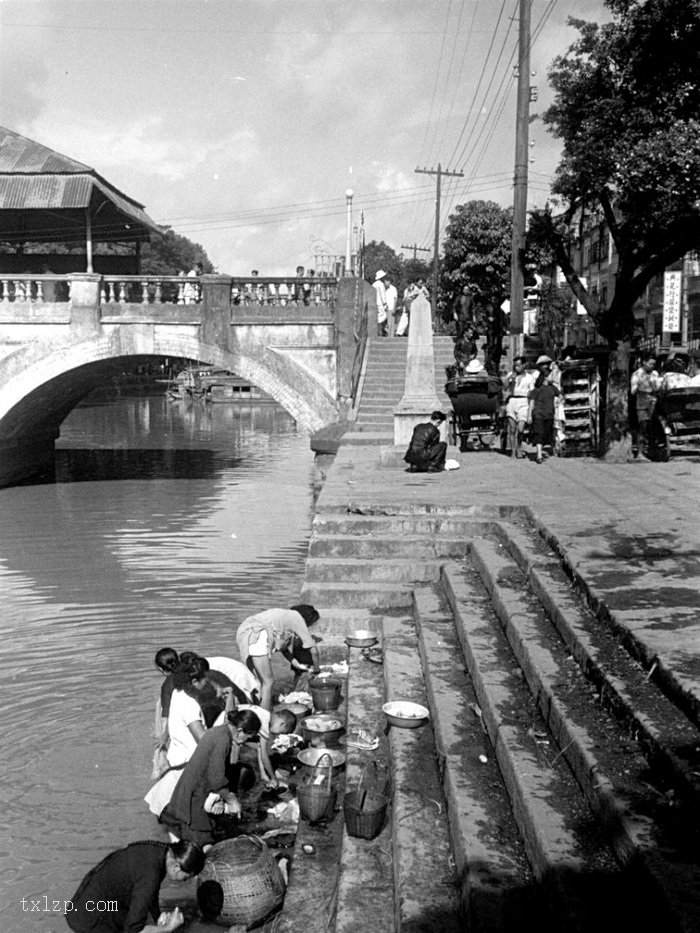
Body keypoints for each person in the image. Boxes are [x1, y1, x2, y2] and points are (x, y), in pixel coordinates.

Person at [159, 709, 261, 847]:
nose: (244, 742)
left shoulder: (219, 731)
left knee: (194, 841)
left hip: (189, 790)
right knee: (201, 845)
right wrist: (232, 800)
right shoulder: (222, 740)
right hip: (193, 797)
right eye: (247, 737)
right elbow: (216, 778)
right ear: (240, 731)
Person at [65, 838, 205, 933]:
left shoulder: (159, 851)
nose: (184, 881)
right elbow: (134, 930)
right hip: (90, 920)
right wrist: (168, 928)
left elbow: (150, 893)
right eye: (186, 877)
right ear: (176, 867)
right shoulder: (150, 875)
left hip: (85, 903)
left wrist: (157, 916)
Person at [235, 605, 321, 710]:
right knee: (268, 682)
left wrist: (296, 664)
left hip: (244, 633)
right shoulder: (296, 617)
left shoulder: (282, 618)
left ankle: (255, 711)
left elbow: (283, 649)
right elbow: (314, 651)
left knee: (257, 682)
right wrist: (316, 669)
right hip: (257, 633)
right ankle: (265, 717)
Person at [527, 356, 561, 463]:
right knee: (539, 434)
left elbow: (560, 396)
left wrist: (558, 402)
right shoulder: (537, 390)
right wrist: (529, 415)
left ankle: (541, 453)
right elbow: (532, 402)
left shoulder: (552, 388)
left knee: (546, 433)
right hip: (538, 414)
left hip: (549, 414)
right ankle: (539, 455)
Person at [503, 356, 537, 459]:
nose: (516, 368)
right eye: (515, 366)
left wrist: (531, 409)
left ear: (523, 365)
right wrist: (509, 379)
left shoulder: (529, 378)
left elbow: (532, 393)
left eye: (518, 365)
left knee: (521, 428)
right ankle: (513, 451)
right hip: (512, 400)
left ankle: (519, 447)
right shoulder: (511, 375)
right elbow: (505, 388)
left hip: (523, 401)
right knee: (512, 429)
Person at [630, 353, 660, 459]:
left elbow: (658, 387)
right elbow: (633, 391)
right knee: (643, 426)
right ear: (644, 362)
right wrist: (642, 390)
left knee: (653, 427)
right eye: (650, 364)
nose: (652, 366)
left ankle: (652, 451)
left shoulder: (655, 374)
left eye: (653, 364)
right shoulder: (637, 374)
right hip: (642, 402)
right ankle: (640, 452)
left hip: (653, 402)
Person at [372, 269, 389, 336]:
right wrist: (385, 303)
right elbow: (382, 295)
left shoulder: (374, 284)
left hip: (374, 303)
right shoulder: (381, 284)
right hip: (380, 303)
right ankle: (380, 332)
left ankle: (377, 332)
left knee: (377, 318)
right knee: (382, 318)